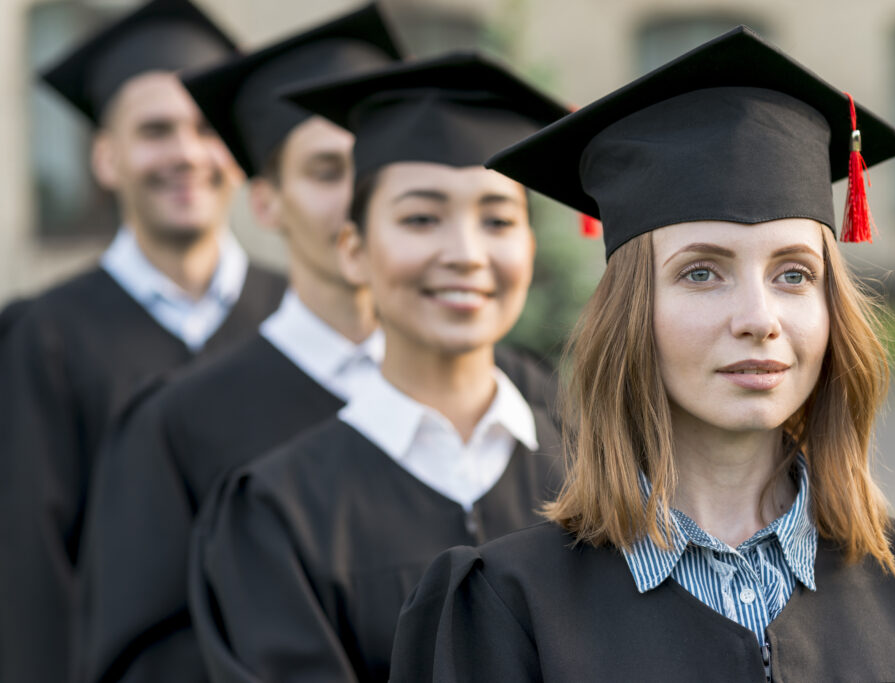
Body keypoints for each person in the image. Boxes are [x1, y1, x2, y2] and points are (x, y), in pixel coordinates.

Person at [390, 27, 895, 682]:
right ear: (630, 315)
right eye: (702, 272)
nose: (759, 319)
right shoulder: (507, 607)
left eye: (794, 274)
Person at [187, 52, 570, 682]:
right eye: (421, 218)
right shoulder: (278, 513)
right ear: (355, 251)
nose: (466, 255)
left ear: (528, 246)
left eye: (498, 219)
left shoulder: (601, 478)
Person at [73, 6, 402, 683]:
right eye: (325, 170)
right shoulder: (172, 422)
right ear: (267, 200)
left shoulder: (515, 406)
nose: (357, 200)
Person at [0, 2, 286, 681]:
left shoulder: (296, 316)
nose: (186, 153)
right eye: (156, 130)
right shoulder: (45, 335)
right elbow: (28, 573)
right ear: (106, 157)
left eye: (205, 127)